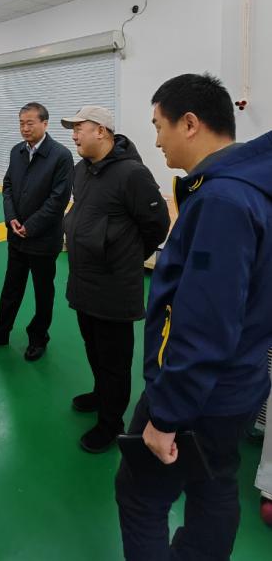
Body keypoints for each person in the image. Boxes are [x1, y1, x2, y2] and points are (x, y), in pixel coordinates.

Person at [115, 73, 272, 560]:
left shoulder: (222, 201)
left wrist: (166, 415)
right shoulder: (253, 187)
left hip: (197, 396)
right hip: (241, 384)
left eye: (158, 126)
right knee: (213, 485)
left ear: (189, 123)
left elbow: (204, 323)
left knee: (140, 496)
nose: (156, 140)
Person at [61, 106, 169, 453]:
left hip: (114, 287)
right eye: (73, 129)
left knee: (115, 360)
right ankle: (100, 394)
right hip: (84, 280)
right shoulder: (81, 170)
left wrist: (128, 255)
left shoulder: (132, 174)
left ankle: (111, 424)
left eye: (79, 128)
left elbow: (157, 225)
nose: (74, 135)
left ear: (102, 131)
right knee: (93, 347)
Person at [0, 102, 73, 361]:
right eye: (21, 123)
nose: (25, 128)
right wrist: (12, 218)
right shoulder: (16, 151)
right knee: (11, 288)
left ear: (45, 124)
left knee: (43, 292)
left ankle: (38, 338)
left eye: (30, 123)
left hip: (43, 240)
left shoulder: (61, 156)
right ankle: (0, 332)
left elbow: (58, 200)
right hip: (17, 237)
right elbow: (7, 186)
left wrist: (31, 226)